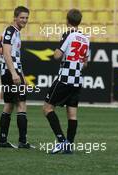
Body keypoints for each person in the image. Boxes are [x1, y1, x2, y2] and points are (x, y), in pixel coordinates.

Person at [42, 9, 90, 154]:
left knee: (47, 108)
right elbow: (85, 63)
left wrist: (59, 52)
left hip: (64, 78)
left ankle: (62, 141)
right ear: (79, 21)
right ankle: (69, 146)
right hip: (77, 80)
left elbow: (57, 55)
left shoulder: (68, 34)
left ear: (67, 20)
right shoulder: (86, 38)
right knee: (72, 114)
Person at [0, 6, 34, 149]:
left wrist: (22, 75)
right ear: (15, 17)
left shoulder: (16, 32)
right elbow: (6, 53)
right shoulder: (10, 31)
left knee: (9, 105)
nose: (24, 20)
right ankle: (23, 142)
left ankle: (2, 140)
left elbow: (15, 56)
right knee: (21, 104)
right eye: (22, 17)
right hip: (11, 72)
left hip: (14, 72)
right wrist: (14, 73)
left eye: (26, 18)